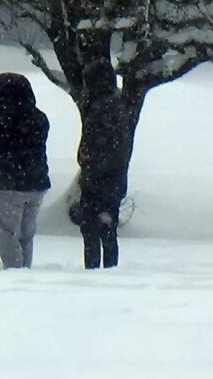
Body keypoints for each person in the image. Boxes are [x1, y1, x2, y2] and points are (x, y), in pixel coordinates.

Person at [0, 72, 50, 269]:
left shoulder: (0, 125)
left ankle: (14, 271)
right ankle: (25, 268)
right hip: (36, 183)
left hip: (7, 185)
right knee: (27, 234)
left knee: (7, 232)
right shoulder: (39, 119)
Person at [76, 60, 130, 269]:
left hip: (97, 179)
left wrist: (86, 162)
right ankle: (110, 269)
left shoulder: (99, 108)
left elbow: (92, 146)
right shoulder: (118, 105)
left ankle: (94, 270)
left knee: (91, 229)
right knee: (108, 229)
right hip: (114, 179)